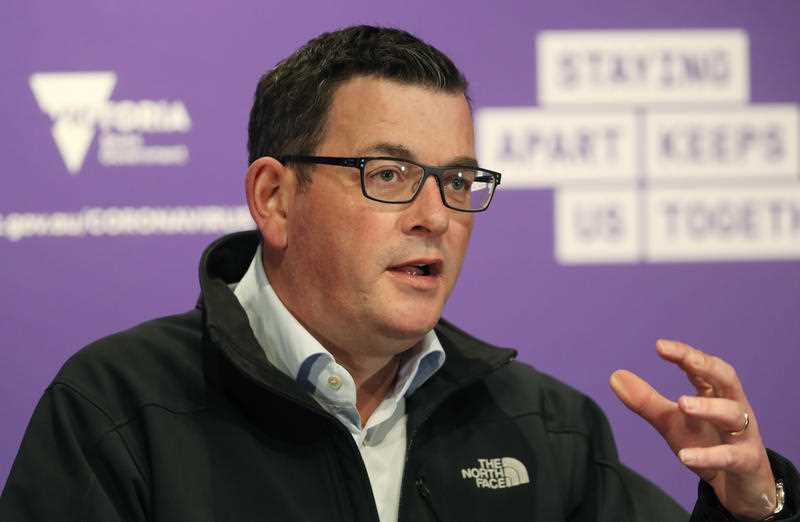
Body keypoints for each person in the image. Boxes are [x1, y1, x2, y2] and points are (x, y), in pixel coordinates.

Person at [1, 25, 796, 522]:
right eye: (388, 174)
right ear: (274, 198)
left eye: (457, 182)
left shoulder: (544, 427)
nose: (437, 216)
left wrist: (754, 509)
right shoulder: (118, 409)